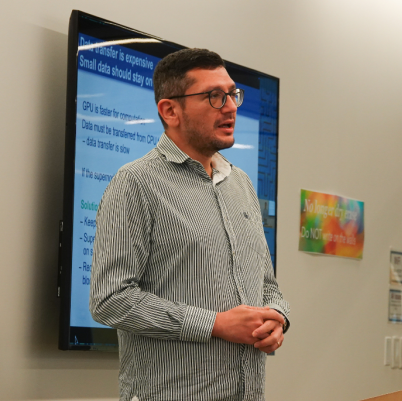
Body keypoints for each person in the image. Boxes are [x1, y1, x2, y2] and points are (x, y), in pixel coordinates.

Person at [90, 48, 290, 401]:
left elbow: (266, 284)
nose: (230, 106)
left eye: (233, 94)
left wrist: (277, 317)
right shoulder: (135, 183)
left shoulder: (240, 184)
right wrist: (214, 324)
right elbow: (110, 298)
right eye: (214, 96)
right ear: (170, 111)